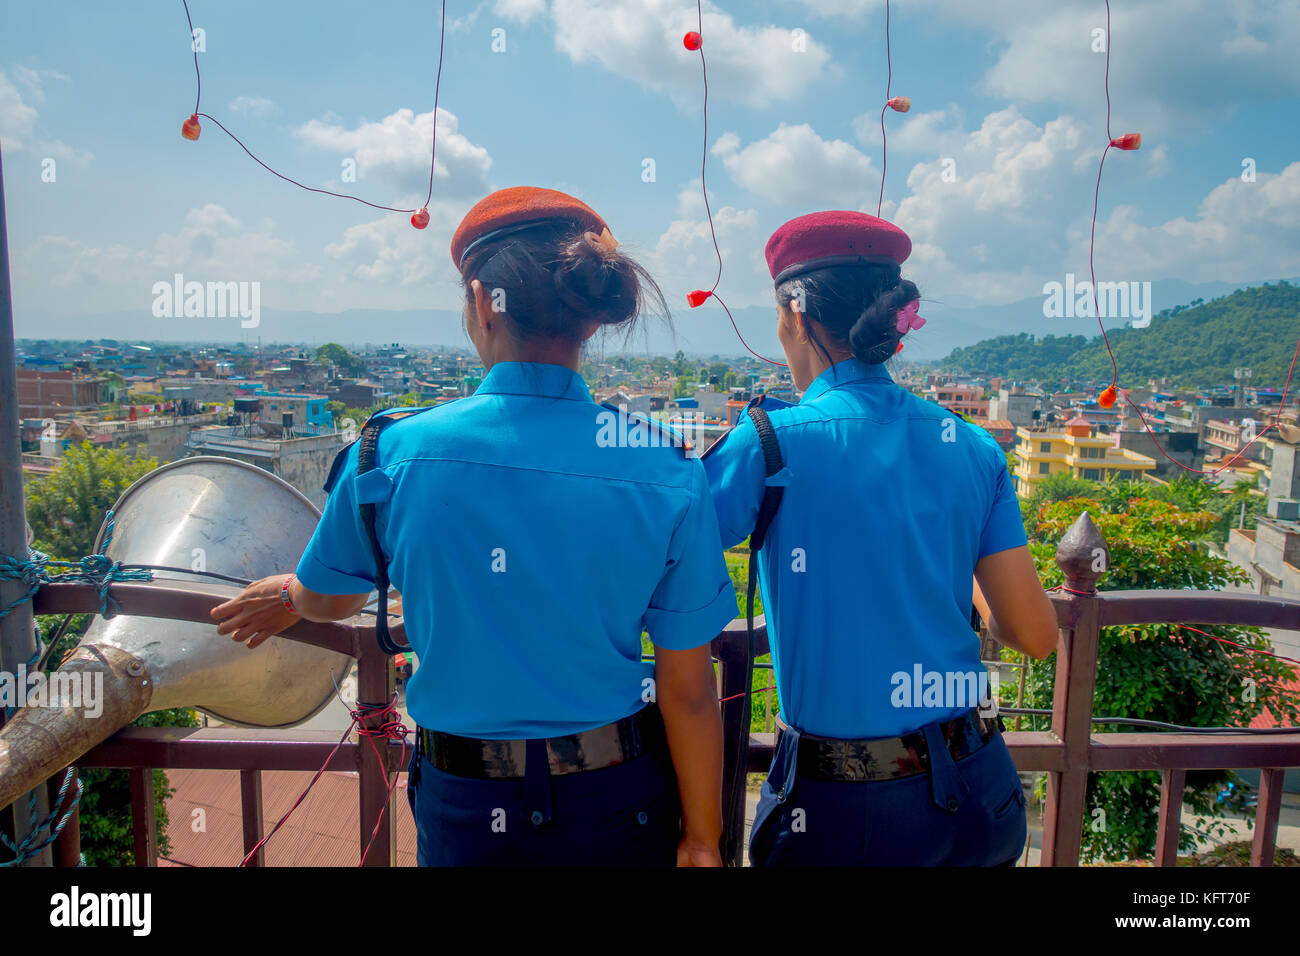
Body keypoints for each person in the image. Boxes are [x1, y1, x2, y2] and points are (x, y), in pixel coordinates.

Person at [211, 187, 737, 867]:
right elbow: (689, 692)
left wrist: (286, 595)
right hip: (616, 797)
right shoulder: (661, 466)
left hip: (467, 801)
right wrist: (702, 838)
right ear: (586, 319)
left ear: (485, 302)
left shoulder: (392, 454)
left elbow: (328, 600)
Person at [702, 211, 1059, 867]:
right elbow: (1034, 635)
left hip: (844, 808)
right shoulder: (973, 446)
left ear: (796, 318)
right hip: (977, 787)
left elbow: (660, 568)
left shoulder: (768, 445)